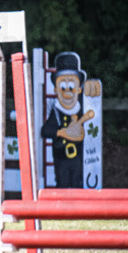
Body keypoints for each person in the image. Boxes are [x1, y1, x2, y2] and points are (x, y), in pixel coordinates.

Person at [40, 51, 88, 188]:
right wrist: (61, 132)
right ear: (56, 89)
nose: (67, 90)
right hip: (61, 158)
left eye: (71, 86)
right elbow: (45, 130)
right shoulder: (56, 111)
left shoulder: (81, 108)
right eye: (62, 86)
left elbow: (92, 116)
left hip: (79, 158)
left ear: (79, 89)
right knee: (62, 183)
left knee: (77, 183)